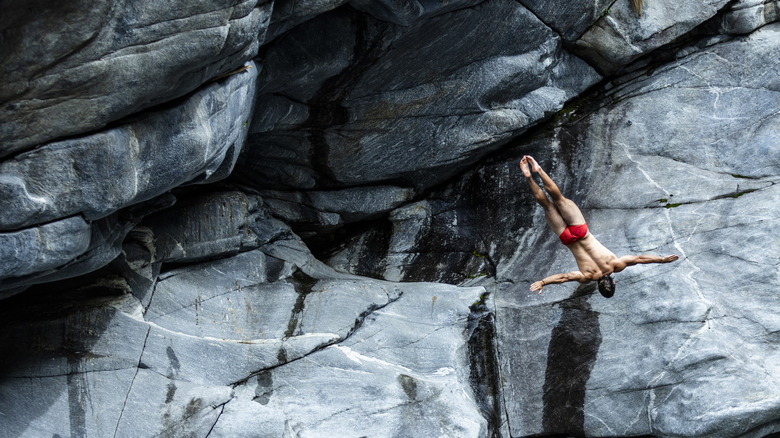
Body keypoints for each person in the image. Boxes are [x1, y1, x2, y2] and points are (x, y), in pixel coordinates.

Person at [519, 155, 678, 297]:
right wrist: (543, 282)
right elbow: (564, 277)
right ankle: (528, 177)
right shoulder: (587, 276)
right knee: (547, 206)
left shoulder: (615, 265)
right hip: (568, 239)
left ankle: (539, 170)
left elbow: (639, 259)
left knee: (559, 199)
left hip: (581, 232)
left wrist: (661, 260)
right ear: (599, 286)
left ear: (613, 282)